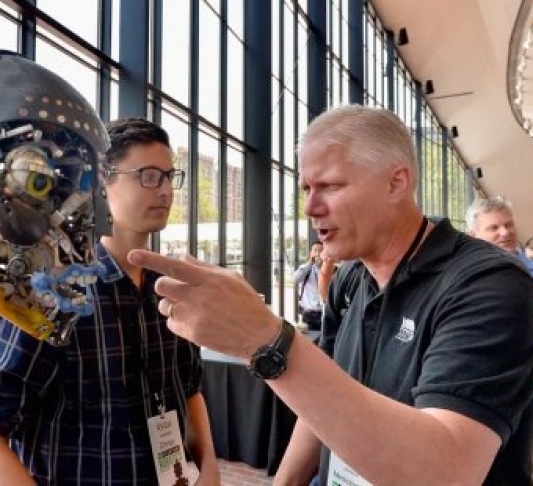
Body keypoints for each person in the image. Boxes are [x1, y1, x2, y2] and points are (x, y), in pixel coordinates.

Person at [127, 105, 533, 484]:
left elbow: (446, 471)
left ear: (397, 182)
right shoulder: (349, 279)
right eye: (306, 188)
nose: (310, 207)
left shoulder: (489, 285)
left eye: (330, 186)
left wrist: (267, 341)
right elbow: (322, 401)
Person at [0, 118, 220, 485]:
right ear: (102, 182)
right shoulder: (54, 290)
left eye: (170, 177)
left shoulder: (171, 287)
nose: (166, 191)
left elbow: (189, 387)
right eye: (149, 176)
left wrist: (210, 467)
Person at [466, 196, 533, 276]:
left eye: (509, 225)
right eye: (494, 228)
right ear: (473, 236)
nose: (505, 232)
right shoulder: (465, 273)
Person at [292, 241, 324, 331]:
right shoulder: (306, 268)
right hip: (309, 314)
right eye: (315, 250)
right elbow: (296, 279)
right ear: (310, 253)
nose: (318, 253)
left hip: (325, 313)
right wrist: (310, 262)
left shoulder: (330, 269)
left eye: (321, 251)